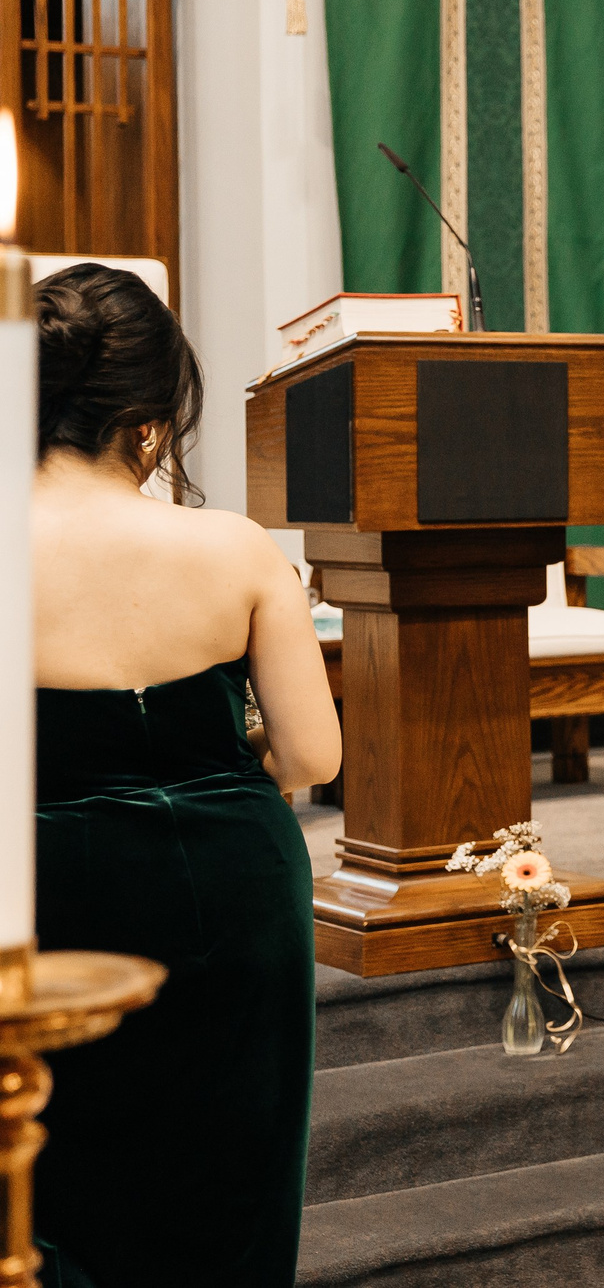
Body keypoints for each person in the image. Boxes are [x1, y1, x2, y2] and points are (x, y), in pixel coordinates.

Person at [31, 263, 342, 1288]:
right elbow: (313, 756)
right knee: (229, 1175)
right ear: (152, 420)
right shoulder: (236, 550)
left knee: (53, 1173)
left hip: (45, 881)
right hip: (231, 890)